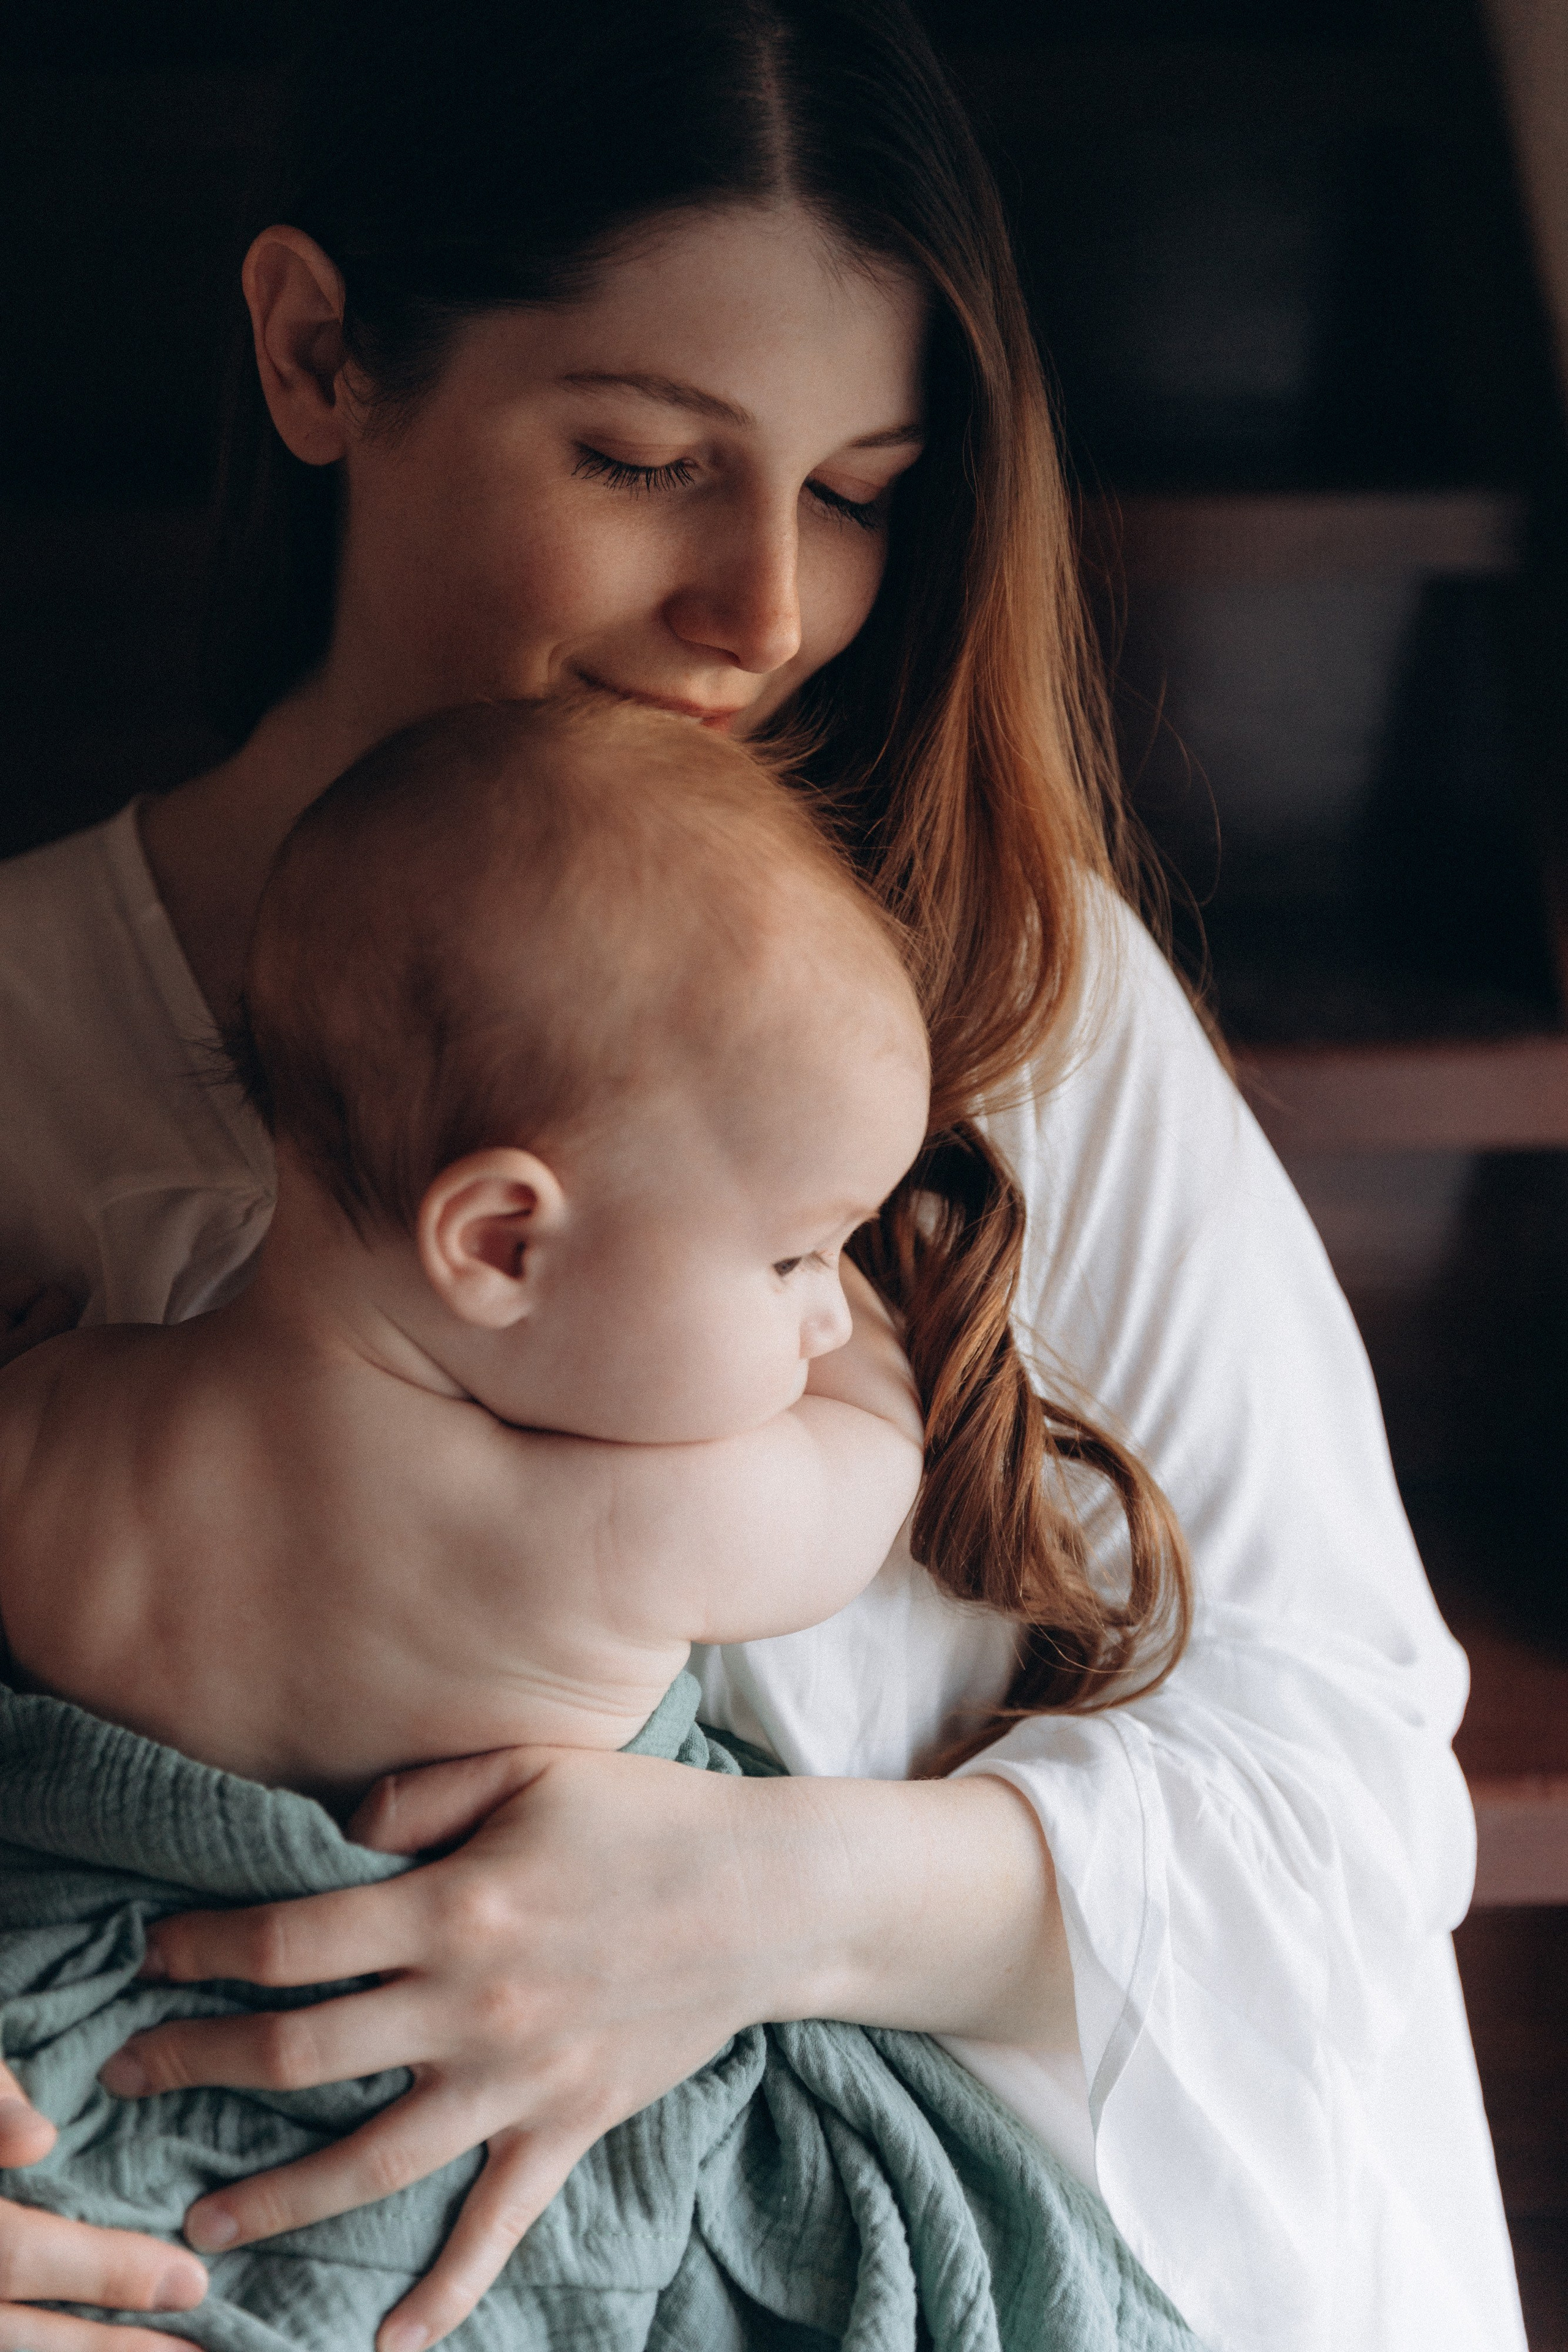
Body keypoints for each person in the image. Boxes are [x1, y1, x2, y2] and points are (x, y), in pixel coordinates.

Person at [0, 4, 1523, 2350]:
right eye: (641, 457)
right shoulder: (26, 1027)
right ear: (319, 355)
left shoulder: (997, 996)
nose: (770, 614)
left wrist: (764, 1901)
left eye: (857, 488)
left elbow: (1343, 1786)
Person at [0, 694, 933, 1800]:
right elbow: (876, 1463)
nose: (824, 1311)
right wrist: (875, 1333)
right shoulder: (642, 1525)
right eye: (798, 1259)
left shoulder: (58, 1417)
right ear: (500, 1246)